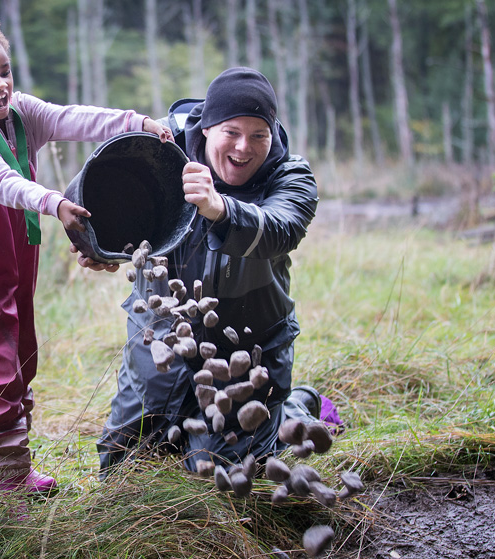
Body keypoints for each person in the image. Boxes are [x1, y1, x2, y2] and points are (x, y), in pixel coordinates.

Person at [0, 7, 171, 496]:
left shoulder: (21, 112)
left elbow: (72, 118)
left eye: (5, 73)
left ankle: (17, 467)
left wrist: (136, 122)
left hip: (16, 251)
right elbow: (0, 180)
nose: (0, 86)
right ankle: (2, 486)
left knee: (21, 358)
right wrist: (54, 202)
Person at [83, 67, 329, 477]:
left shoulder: (291, 175)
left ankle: (294, 405)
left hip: (250, 349)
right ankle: (180, 420)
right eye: (231, 132)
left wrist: (219, 209)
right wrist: (93, 244)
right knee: (121, 467)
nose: (244, 148)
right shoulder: (160, 149)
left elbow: (280, 230)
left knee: (221, 473)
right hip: (161, 336)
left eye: (259, 135)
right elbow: (100, 197)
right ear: (207, 126)